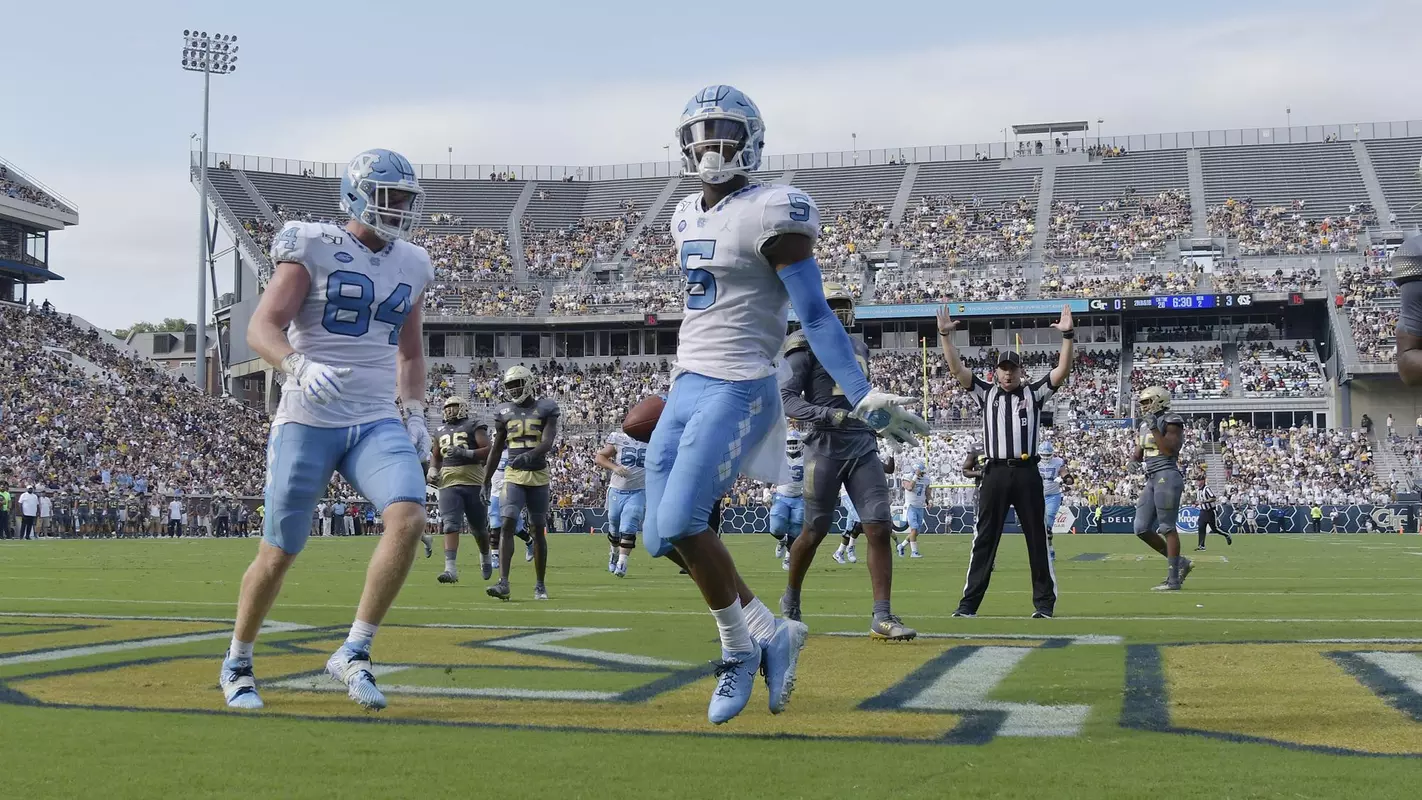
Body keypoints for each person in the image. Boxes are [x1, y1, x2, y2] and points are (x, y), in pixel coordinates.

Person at [646, 85, 926, 724]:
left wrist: (861, 393)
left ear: (752, 141)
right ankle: (772, 630)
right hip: (687, 381)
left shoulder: (777, 209)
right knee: (660, 536)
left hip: (739, 383)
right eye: (699, 134)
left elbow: (816, 314)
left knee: (688, 520)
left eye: (724, 133)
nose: (709, 147)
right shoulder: (683, 213)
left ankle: (740, 650)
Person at [219, 148, 434, 713]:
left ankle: (355, 650)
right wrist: (294, 365)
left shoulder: (413, 263)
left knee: (409, 515)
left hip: (374, 419)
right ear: (357, 194)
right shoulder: (312, 244)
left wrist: (415, 412)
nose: (401, 210)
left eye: (407, 199)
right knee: (278, 551)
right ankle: (238, 660)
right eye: (391, 198)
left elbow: (410, 355)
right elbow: (262, 327)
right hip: (309, 415)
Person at [938, 303, 1073, 619]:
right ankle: (968, 605)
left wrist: (1067, 336)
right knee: (984, 538)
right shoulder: (986, 393)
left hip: (1026, 472)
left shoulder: (1034, 394)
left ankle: (1043, 605)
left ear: (1020, 371)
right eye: (1004, 368)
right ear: (995, 372)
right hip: (995, 472)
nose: (1008, 373)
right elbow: (957, 370)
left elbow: (1062, 371)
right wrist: (945, 337)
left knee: (1037, 540)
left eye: (1013, 368)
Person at [483, 365, 560, 601]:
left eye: (517, 384)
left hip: (538, 475)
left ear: (528, 382)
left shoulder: (546, 407)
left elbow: (548, 441)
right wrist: (485, 480)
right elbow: (496, 449)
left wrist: (531, 455)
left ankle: (539, 585)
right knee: (507, 523)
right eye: (510, 386)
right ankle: (503, 582)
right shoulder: (504, 411)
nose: (514, 389)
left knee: (537, 529)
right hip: (513, 474)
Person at [1132, 386, 1192, 591]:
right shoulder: (1144, 424)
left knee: (1167, 527)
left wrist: (1154, 428)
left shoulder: (1172, 419)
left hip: (1167, 474)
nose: (1144, 406)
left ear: (1160, 400)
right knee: (1141, 528)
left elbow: (1168, 450)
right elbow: (1140, 452)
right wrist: (1133, 458)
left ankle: (1173, 579)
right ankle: (1180, 561)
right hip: (1152, 477)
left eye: (1147, 402)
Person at [429, 395, 493, 583]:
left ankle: (485, 555)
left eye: (454, 406)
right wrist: (433, 469)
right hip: (448, 481)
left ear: (463, 407)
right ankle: (450, 569)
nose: (449, 410)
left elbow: (488, 449)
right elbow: (436, 455)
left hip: (473, 480)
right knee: (449, 524)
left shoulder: (474, 425)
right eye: (447, 407)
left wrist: (465, 452)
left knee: (479, 529)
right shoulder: (439, 430)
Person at [594, 428, 647, 578]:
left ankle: (622, 563)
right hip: (617, 490)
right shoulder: (619, 438)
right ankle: (614, 552)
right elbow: (600, 457)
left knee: (629, 525)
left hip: (638, 490)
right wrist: (615, 467)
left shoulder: (653, 439)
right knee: (614, 526)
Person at [766, 435, 805, 572]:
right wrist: (766, 489)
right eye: (790, 442)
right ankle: (782, 540)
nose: (792, 444)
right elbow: (771, 474)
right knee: (775, 527)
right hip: (781, 496)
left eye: (794, 442)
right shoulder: (780, 458)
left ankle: (789, 556)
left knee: (796, 529)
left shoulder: (807, 458)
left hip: (800, 497)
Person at [1037, 441, 1065, 563]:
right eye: (1044, 455)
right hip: (1036, 496)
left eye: (1048, 455)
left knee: (1048, 525)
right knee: (1038, 526)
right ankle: (1042, 550)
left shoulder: (1058, 462)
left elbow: (1065, 474)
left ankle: (1050, 549)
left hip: (1053, 495)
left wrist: (1065, 479)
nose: (1046, 458)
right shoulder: (1034, 462)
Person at [897, 462, 930, 559]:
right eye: (921, 472)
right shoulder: (908, 477)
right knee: (914, 529)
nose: (923, 474)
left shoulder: (926, 479)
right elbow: (910, 487)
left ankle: (901, 546)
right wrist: (915, 476)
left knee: (916, 532)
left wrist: (930, 501)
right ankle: (914, 552)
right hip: (910, 506)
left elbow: (928, 493)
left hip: (920, 507)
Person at [1194, 477, 1231, 550]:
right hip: (1203, 511)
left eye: (1198, 480)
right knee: (1201, 527)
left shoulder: (1206, 489)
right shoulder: (1198, 490)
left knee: (1214, 529)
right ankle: (1201, 545)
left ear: (1202, 481)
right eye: (1197, 480)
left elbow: (1213, 498)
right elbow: (1199, 500)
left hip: (1210, 511)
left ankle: (1226, 535)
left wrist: (1204, 501)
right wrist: (1196, 504)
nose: (1197, 482)